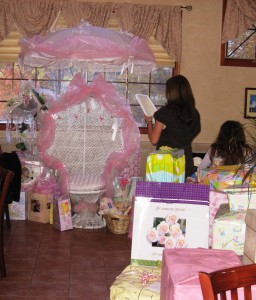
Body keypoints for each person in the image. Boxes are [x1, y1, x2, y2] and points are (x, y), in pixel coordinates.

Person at [144, 75, 201, 178]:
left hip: (167, 164)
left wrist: (148, 121)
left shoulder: (165, 113)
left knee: (166, 193)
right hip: (186, 162)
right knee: (183, 193)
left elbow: (153, 140)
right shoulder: (194, 113)